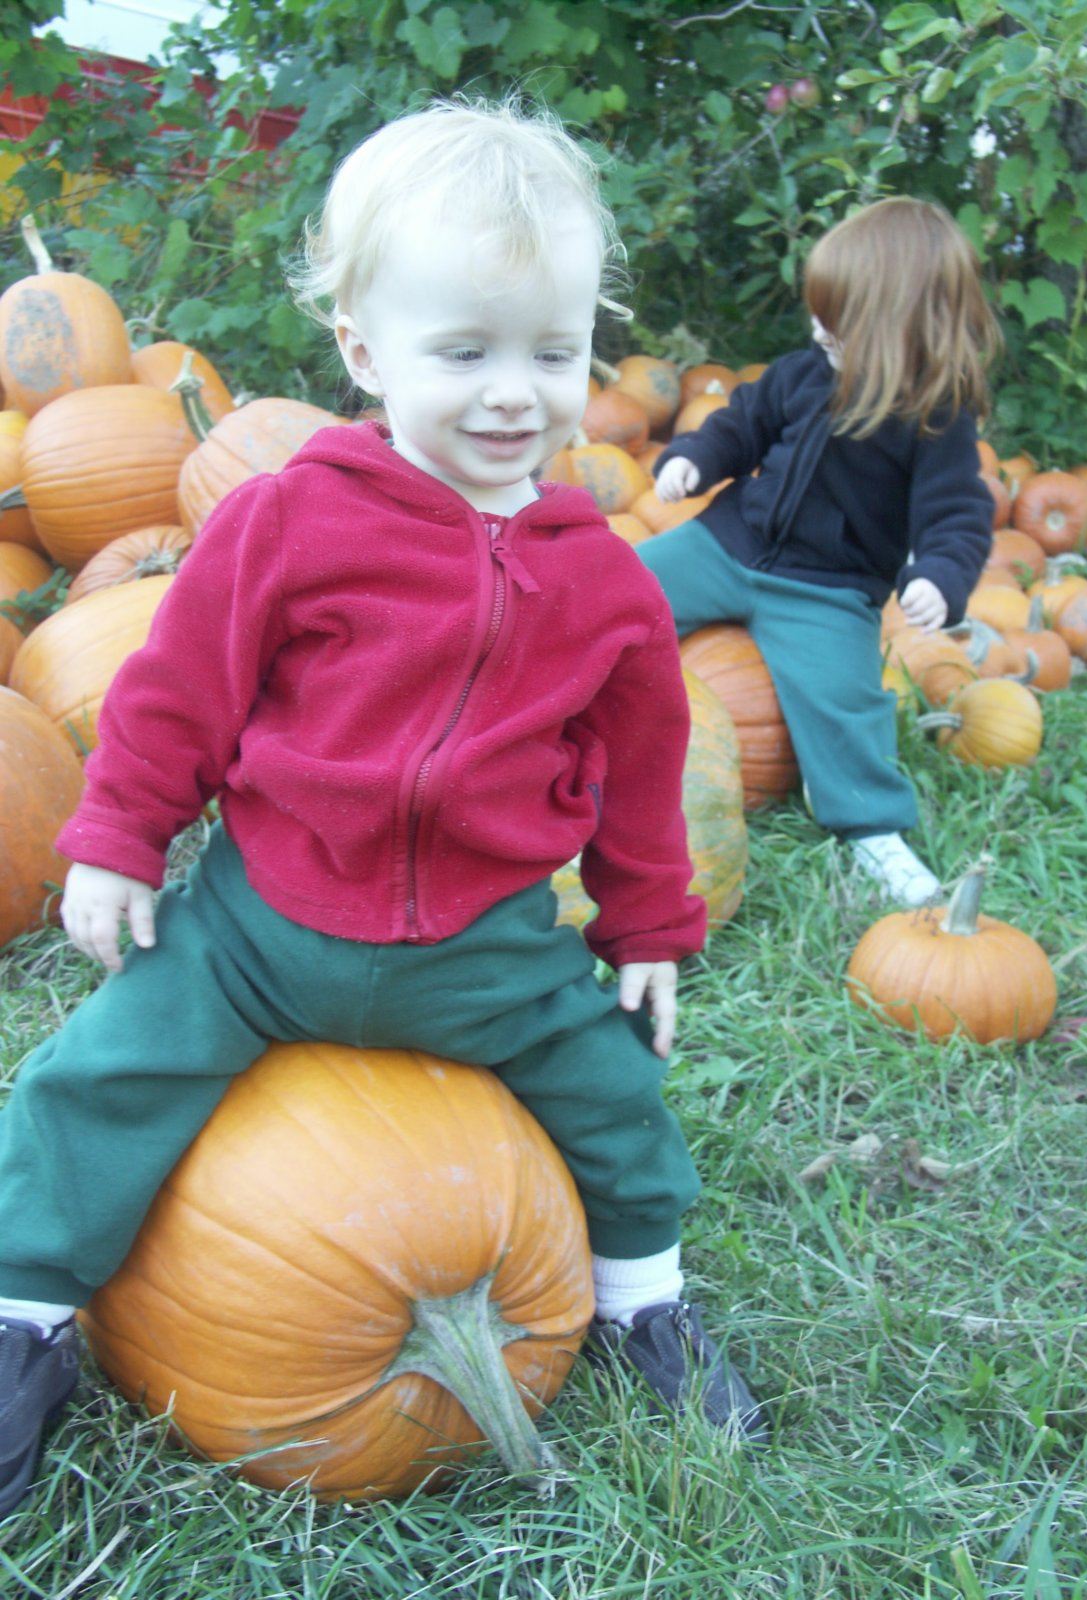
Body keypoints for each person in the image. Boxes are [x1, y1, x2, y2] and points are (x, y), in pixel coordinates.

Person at [0, 98, 768, 1518]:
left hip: (484, 949)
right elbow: (176, 688)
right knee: (99, 1078)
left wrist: (651, 927)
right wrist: (117, 837)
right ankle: (27, 1320)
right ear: (362, 351)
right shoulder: (290, 518)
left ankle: (644, 1305)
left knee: (615, 1098)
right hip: (262, 926)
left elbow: (641, 767)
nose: (510, 394)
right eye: (463, 351)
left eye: (549, 353)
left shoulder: (601, 579)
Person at [646, 197, 999, 906]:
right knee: (622, 593)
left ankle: (872, 829)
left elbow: (957, 513)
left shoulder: (934, 420)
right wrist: (695, 456)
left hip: (827, 591)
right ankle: (551, 702)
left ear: (903, 329)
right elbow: (741, 424)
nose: (817, 330)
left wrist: (940, 573)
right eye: (818, 313)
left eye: (836, 322)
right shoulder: (803, 371)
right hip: (727, 542)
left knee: (844, 701)